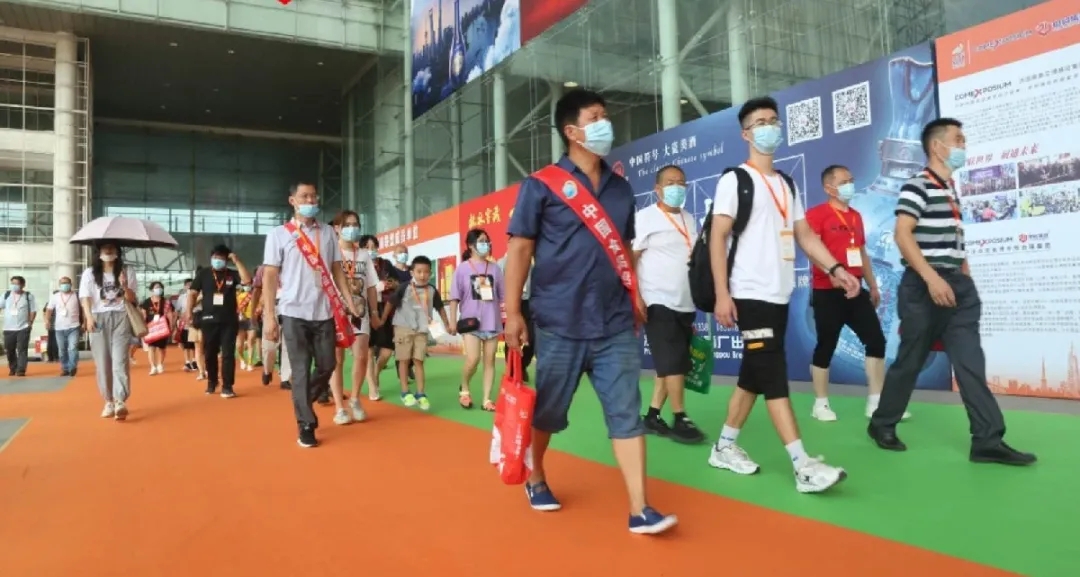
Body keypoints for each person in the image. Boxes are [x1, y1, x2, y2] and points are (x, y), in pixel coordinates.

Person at [504, 88, 676, 534]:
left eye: (606, 116)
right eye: (596, 117)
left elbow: (625, 249)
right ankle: (536, 476)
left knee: (626, 413)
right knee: (549, 412)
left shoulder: (621, 189)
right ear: (572, 131)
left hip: (615, 322)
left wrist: (635, 294)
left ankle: (640, 508)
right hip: (559, 321)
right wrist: (513, 313)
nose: (606, 124)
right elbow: (520, 249)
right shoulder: (541, 185)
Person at [707, 96, 858, 493]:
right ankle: (802, 465)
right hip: (748, 293)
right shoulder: (734, 181)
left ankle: (723, 447)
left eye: (773, 120)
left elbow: (804, 234)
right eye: (760, 122)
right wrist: (722, 294)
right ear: (746, 134)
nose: (769, 127)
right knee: (773, 374)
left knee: (753, 375)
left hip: (779, 294)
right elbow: (717, 238)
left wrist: (836, 269)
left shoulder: (787, 184)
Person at [869, 118, 1036, 466]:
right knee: (911, 360)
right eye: (958, 140)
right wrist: (932, 279)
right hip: (923, 285)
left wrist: (964, 277)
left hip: (957, 287)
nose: (963, 146)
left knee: (971, 362)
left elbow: (952, 243)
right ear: (937, 146)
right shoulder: (917, 185)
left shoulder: (950, 189)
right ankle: (882, 423)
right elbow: (902, 234)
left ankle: (987, 440)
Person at [804, 164, 909, 422]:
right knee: (826, 345)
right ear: (829, 188)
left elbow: (861, 253)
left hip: (856, 290)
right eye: (843, 182)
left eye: (851, 180)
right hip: (827, 291)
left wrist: (872, 285)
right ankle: (820, 404)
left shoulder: (855, 217)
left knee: (876, 341)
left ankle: (876, 401)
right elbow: (812, 250)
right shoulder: (816, 215)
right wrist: (831, 273)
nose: (850, 185)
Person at [261, 181, 358, 448]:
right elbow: (270, 275)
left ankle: (301, 398)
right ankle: (306, 423)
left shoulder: (327, 232)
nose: (310, 200)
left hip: (324, 310)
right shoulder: (279, 235)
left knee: (328, 364)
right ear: (292, 200)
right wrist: (269, 316)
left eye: (314, 196)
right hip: (293, 311)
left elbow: (337, 269)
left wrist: (349, 302)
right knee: (301, 368)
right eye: (304, 196)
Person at [633, 164, 705, 444]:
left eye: (681, 183)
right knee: (673, 361)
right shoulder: (645, 218)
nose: (677, 187)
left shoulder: (689, 219)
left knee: (670, 362)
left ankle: (652, 415)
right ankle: (680, 417)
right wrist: (636, 296)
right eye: (670, 182)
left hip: (685, 301)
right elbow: (631, 259)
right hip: (657, 299)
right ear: (658, 189)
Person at [381, 255, 452, 411]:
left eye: (426, 272)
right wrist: (383, 319)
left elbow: (440, 307)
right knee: (404, 360)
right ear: (412, 272)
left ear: (430, 273)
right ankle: (405, 392)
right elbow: (390, 302)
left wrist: (447, 324)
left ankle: (420, 393)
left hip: (422, 329)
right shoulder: (404, 287)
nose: (422, 275)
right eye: (419, 271)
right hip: (403, 327)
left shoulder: (432, 290)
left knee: (419, 360)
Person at [328, 210, 379, 425]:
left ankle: (355, 398)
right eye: (347, 225)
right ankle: (339, 407)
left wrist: (374, 313)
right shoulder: (330, 253)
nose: (352, 228)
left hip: (360, 313)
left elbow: (371, 286)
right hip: (335, 313)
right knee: (337, 360)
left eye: (355, 224)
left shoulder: (364, 255)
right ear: (337, 228)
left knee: (361, 356)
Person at [79, 243, 137, 420]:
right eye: (105, 248)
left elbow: (132, 298)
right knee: (103, 362)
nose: (109, 251)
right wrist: (88, 317)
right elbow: (85, 297)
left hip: (121, 317)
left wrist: (124, 285)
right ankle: (108, 401)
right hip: (98, 318)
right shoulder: (90, 273)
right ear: (99, 253)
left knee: (120, 361)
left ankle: (120, 401)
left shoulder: (127, 271)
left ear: (118, 252)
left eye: (112, 248)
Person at [449, 228, 505, 411]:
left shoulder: (495, 268)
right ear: (471, 246)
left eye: (487, 241)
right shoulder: (462, 269)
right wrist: (452, 321)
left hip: (492, 322)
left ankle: (487, 399)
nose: (486, 244)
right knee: (473, 359)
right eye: (481, 241)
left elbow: (503, 297)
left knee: (490, 361)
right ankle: (464, 388)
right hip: (470, 322)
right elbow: (454, 298)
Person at [186, 246, 251, 398]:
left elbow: (247, 280)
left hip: (229, 320)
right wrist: (189, 311)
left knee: (228, 353)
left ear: (226, 259)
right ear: (211, 258)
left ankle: (227, 386)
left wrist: (237, 261)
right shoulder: (204, 274)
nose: (218, 260)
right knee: (210, 352)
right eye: (215, 257)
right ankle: (212, 381)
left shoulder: (232, 274)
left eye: (221, 258)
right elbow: (193, 293)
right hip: (208, 319)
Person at [363, 234, 396, 400]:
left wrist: (391, 284)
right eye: (367, 247)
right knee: (368, 350)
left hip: (385, 309)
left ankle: (375, 373)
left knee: (388, 349)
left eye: (373, 247)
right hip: (366, 308)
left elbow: (399, 282)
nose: (371, 250)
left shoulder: (386, 264)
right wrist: (376, 287)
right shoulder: (359, 265)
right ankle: (372, 387)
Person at [253, 264, 292, 390]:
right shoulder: (263, 269)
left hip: (290, 307)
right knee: (270, 346)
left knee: (288, 344)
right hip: (271, 308)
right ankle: (267, 369)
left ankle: (286, 378)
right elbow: (256, 291)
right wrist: (253, 311)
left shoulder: (292, 265)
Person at [497, 254, 534, 381]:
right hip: (509, 302)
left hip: (527, 302)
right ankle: (512, 371)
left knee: (531, 339)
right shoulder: (501, 263)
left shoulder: (529, 263)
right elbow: (498, 285)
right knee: (512, 338)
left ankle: (522, 366)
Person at [45, 277, 81, 376]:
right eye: (62, 283)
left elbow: (83, 309)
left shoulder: (76, 295)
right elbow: (49, 309)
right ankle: (65, 368)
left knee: (73, 348)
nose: (64, 285)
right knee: (62, 350)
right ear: (59, 285)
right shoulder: (55, 296)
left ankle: (72, 367)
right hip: (59, 328)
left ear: (71, 284)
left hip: (74, 326)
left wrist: (85, 322)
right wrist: (47, 320)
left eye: (66, 283)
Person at [2, 276, 36, 377]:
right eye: (12, 283)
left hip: (23, 327)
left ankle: (21, 369)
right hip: (8, 328)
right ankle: (13, 367)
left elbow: (33, 310)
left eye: (17, 284)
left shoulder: (28, 296)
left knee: (22, 349)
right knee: (10, 350)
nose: (14, 286)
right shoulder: (6, 295)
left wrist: (30, 322)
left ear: (23, 285)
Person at [140, 281, 175, 375]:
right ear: (152, 290)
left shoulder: (166, 301)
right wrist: (143, 327)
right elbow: (143, 315)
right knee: (151, 347)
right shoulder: (147, 302)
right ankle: (153, 366)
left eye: (160, 287)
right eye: (156, 287)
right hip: (151, 328)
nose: (158, 289)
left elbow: (170, 314)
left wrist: (171, 326)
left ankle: (160, 364)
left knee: (162, 348)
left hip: (163, 328)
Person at [176, 278, 199, 372]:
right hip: (184, 323)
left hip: (195, 322)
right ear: (185, 286)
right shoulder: (181, 298)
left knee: (194, 342)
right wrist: (181, 317)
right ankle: (187, 362)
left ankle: (195, 361)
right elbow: (177, 310)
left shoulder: (198, 295)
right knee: (185, 344)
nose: (190, 286)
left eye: (191, 284)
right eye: (188, 285)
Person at [237, 283, 258, 371]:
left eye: (248, 285)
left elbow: (259, 305)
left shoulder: (255, 294)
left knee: (251, 340)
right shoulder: (237, 295)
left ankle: (250, 362)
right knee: (239, 344)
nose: (247, 287)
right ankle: (242, 359)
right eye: (244, 285)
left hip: (252, 319)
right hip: (240, 320)